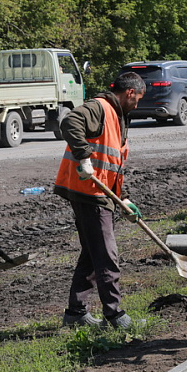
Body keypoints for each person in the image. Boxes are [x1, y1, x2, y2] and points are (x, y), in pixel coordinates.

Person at [54, 71, 146, 330]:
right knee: (106, 254)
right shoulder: (100, 107)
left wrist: (123, 200)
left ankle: (76, 313)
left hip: (99, 192)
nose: (137, 104)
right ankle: (115, 316)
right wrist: (84, 157)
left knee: (92, 253)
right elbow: (69, 122)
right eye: (138, 98)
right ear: (129, 93)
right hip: (88, 192)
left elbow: (113, 164)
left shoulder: (118, 116)